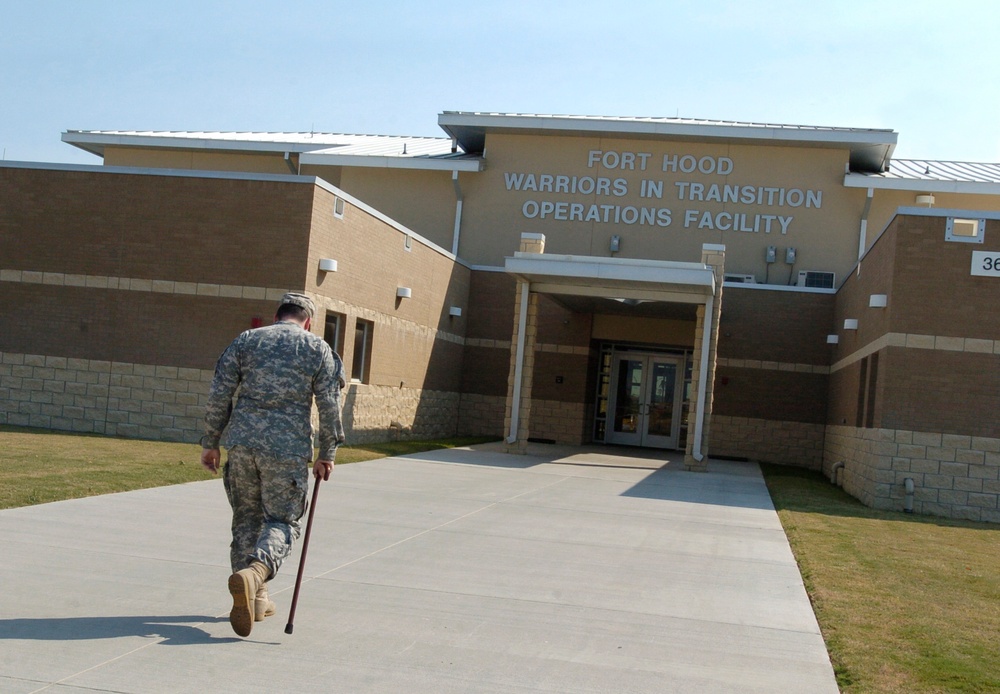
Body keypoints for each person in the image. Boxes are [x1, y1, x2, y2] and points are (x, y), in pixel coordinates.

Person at [200, 292, 345, 637]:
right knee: (282, 520)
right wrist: (327, 452)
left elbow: (219, 393)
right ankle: (256, 574)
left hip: (243, 444)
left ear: (278, 315)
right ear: (307, 320)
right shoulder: (317, 348)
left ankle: (256, 600)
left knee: (246, 519)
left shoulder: (246, 341)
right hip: (287, 449)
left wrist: (211, 442)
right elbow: (329, 405)